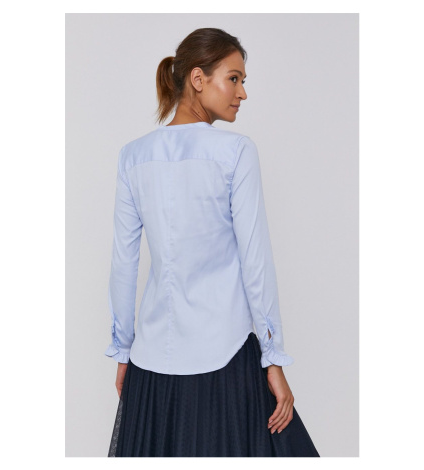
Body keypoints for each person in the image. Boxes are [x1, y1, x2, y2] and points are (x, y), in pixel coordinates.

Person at [104, 27, 320, 457]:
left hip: (150, 362)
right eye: (234, 78)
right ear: (198, 79)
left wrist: (124, 351)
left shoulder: (133, 156)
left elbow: (123, 264)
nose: (242, 93)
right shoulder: (236, 152)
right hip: (224, 357)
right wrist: (273, 358)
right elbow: (256, 261)